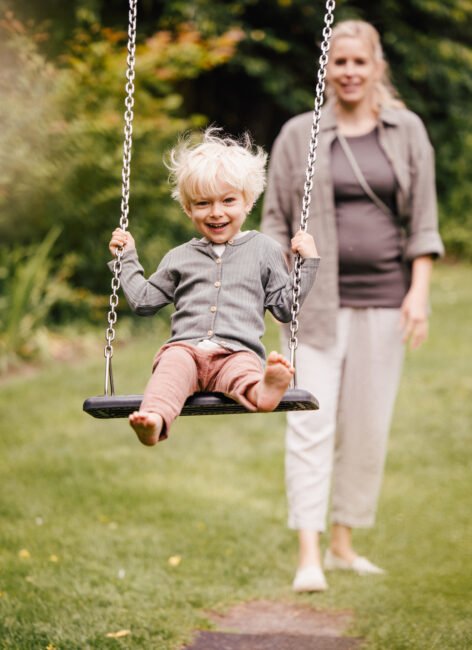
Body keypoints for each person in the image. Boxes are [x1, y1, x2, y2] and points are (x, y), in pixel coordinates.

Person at [262, 19, 444, 592]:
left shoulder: (407, 130)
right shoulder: (299, 134)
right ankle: (309, 555)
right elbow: (274, 219)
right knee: (310, 424)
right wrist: (275, 289)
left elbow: (423, 221)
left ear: (376, 67)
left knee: (367, 428)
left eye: (358, 62)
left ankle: (343, 543)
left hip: (386, 302)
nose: (348, 72)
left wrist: (419, 292)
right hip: (315, 305)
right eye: (338, 62)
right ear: (327, 68)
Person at [108, 128, 319, 446]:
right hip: (185, 350)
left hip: (237, 350)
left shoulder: (265, 250)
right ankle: (153, 420)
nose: (216, 212)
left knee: (243, 373)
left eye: (228, 200)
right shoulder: (179, 256)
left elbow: (285, 308)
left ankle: (264, 390)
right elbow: (144, 301)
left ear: (248, 202)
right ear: (188, 208)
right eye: (203, 203)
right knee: (169, 374)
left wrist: (307, 262)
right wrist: (127, 259)